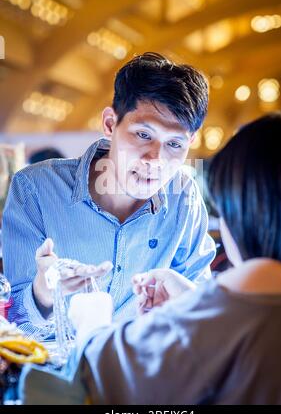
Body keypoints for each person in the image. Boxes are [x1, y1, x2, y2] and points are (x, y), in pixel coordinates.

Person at [54, 111, 281, 405]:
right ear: (110, 125)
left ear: (246, 212)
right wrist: (194, 303)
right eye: (143, 134)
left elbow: (109, 374)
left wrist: (91, 318)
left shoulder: (265, 279)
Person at [2, 52, 215, 340]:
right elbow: (14, 325)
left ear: (190, 142)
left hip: (142, 373)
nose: (156, 159)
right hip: (54, 377)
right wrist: (44, 292)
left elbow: (205, 315)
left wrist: (182, 308)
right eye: (143, 135)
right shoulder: (36, 189)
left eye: (175, 144)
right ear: (110, 124)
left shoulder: (184, 200)